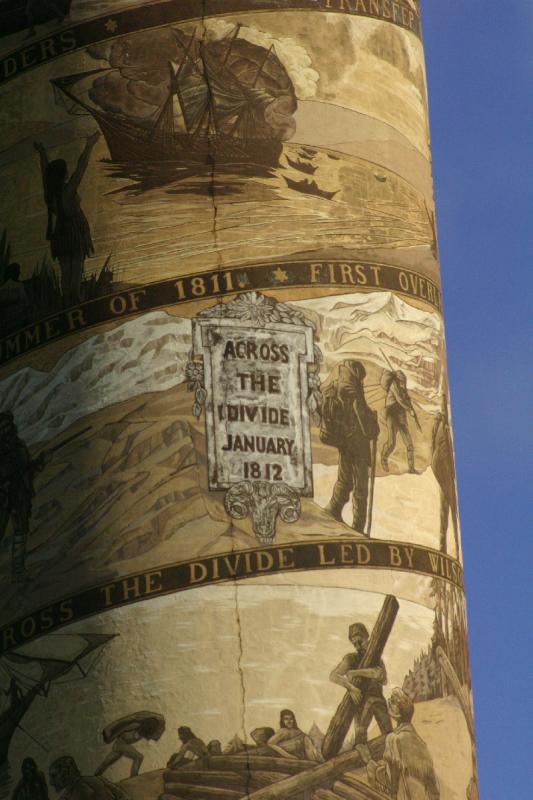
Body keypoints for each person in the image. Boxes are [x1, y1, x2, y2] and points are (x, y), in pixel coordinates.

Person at [34, 133, 100, 306]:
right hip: (74, 230)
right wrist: (89, 145)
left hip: (60, 233)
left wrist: (42, 153)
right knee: (77, 265)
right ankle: (75, 298)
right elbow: (81, 167)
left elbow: (44, 173)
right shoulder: (68, 191)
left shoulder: (50, 194)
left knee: (65, 269)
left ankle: (67, 299)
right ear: (63, 175)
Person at [323, 360, 379, 533]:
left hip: (345, 444)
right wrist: (373, 423)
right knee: (360, 488)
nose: (362, 382)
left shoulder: (336, 388)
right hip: (358, 447)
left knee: (344, 479)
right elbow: (369, 430)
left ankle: (333, 509)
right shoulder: (354, 394)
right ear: (356, 377)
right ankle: (358, 527)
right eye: (361, 379)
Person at [330, 622, 392, 765]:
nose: (357, 645)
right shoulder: (350, 658)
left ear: (367, 637)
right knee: (360, 741)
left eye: (360, 641)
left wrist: (355, 672)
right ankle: (371, 766)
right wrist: (350, 687)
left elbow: (382, 678)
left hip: (378, 700)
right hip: (361, 704)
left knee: (389, 734)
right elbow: (333, 675)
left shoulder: (376, 657)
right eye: (354, 642)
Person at [369, 688, 440, 800]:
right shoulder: (419, 742)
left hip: (407, 796)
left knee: (372, 768)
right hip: (427, 797)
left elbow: (391, 778)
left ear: (394, 714)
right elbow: (432, 784)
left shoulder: (393, 739)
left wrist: (372, 768)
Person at [0, 411, 46, 582]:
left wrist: (41, 462)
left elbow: (28, 471)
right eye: (1, 428)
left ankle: (18, 571)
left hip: (20, 496)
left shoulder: (19, 448)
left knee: (21, 531)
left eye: (7, 426)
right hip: (3, 498)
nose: (5, 430)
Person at [95, 712, 165, 779]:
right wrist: (111, 738)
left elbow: (157, 731)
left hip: (123, 745)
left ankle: (96, 775)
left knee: (107, 762)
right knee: (139, 757)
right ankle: (134, 777)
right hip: (121, 744)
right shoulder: (136, 725)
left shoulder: (143, 733)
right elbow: (121, 730)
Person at [431, 395, 459, 555]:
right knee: (445, 511)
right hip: (443, 473)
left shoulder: (443, 427)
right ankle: (444, 547)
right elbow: (437, 452)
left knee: (448, 511)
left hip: (447, 473)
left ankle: (449, 548)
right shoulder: (441, 427)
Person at [381, 370, 418, 474]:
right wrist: (409, 409)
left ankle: (411, 468)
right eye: (401, 381)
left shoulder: (403, 389)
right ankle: (384, 458)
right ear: (398, 380)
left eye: (404, 382)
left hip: (401, 417)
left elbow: (404, 400)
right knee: (392, 443)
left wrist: (408, 402)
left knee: (409, 444)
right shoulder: (394, 386)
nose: (403, 384)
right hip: (392, 415)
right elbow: (400, 400)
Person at [48, 756, 128, 800]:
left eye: (54, 776)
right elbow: (123, 796)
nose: (51, 782)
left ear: (67, 773)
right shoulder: (97, 779)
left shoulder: (81, 790)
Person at [0, 263, 29, 335]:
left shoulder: (19, 285)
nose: (19, 273)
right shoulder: (11, 286)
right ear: (11, 273)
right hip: (14, 319)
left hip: (16, 320)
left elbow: (25, 302)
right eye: (17, 271)